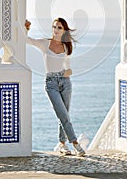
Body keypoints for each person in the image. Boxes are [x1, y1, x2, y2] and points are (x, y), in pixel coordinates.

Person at [25, 17, 85, 156]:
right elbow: (27, 41)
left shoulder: (66, 46)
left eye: (59, 27)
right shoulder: (45, 43)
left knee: (64, 114)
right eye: (54, 27)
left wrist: (68, 72)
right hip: (51, 83)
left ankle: (62, 144)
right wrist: (26, 29)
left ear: (64, 31)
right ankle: (75, 143)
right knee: (62, 114)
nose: (56, 30)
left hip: (65, 82)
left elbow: (68, 67)